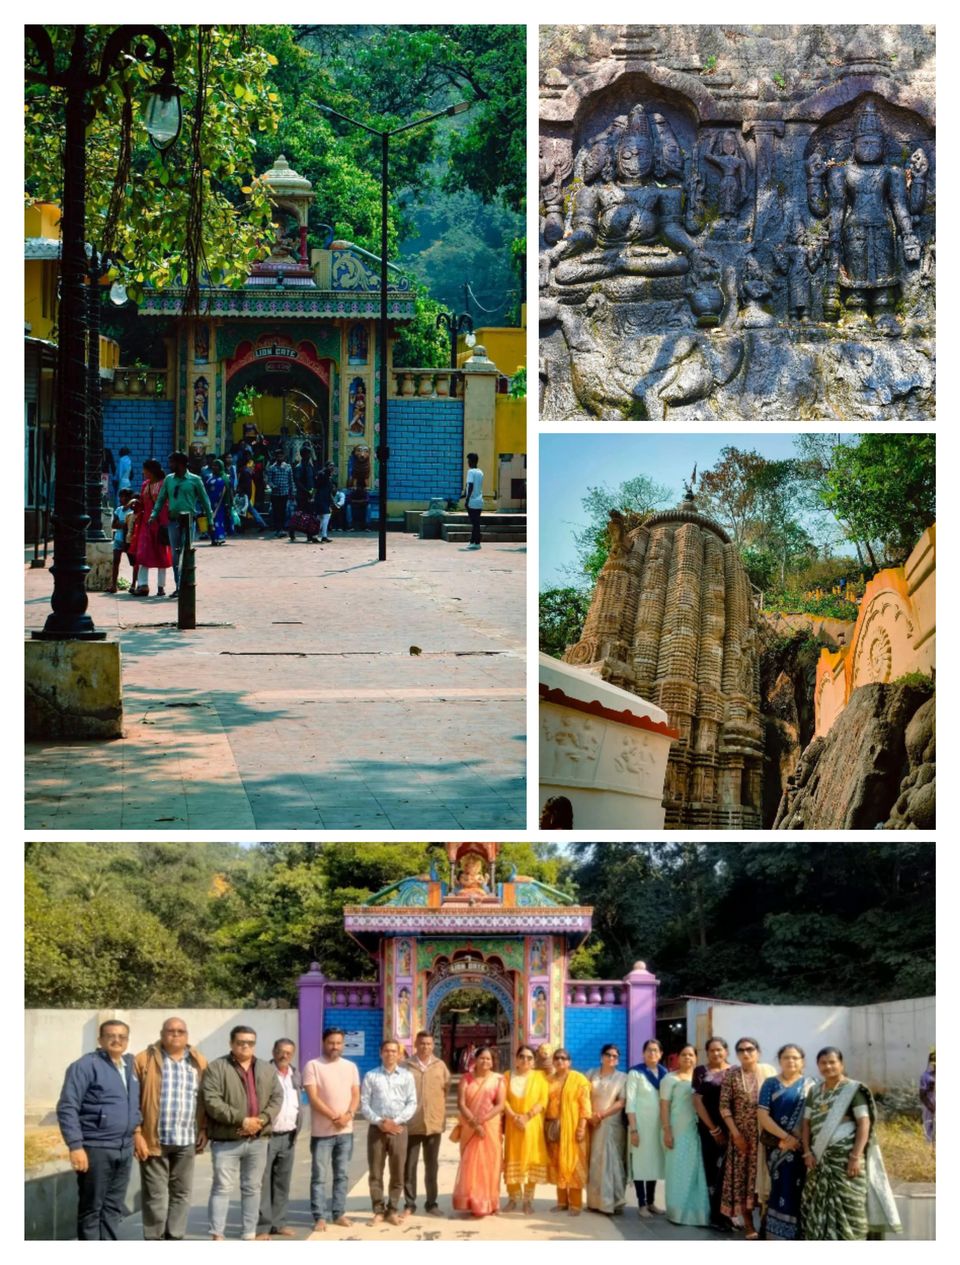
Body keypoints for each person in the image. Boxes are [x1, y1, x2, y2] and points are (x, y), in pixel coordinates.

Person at [800, 1047, 901, 1240]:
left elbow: (864, 1122)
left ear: (841, 1064)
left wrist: (855, 1156)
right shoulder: (814, 1091)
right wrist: (806, 1152)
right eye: (823, 1063)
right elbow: (806, 1124)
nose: (828, 1066)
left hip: (846, 1159)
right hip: (818, 1159)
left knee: (852, 1206)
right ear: (818, 1066)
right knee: (816, 1203)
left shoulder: (853, 1089)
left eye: (832, 1062)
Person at [56, 1019, 142, 1240]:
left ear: (127, 1040)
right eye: (111, 1036)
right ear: (100, 1039)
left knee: (113, 1207)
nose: (116, 1040)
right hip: (96, 1148)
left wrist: (136, 1133)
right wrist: (75, 1146)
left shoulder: (130, 1066)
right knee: (92, 1208)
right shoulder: (85, 1066)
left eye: (122, 1036)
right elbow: (67, 1106)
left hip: (123, 1148)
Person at [201, 1025, 283, 1242]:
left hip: (258, 1139)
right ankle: (217, 1233)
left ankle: (249, 1232)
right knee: (222, 1187)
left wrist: (261, 1120)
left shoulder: (266, 1069)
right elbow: (212, 1101)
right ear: (231, 1043)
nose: (245, 1046)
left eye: (250, 1042)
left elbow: (277, 1098)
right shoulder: (217, 1067)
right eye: (240, 1042)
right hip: (226, 1140)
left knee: (252, 1188)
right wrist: (242, 1120)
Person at [132, 1017, 208, 1241]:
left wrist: (203, 1129)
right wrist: (137, 1133)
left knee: (182, 1193)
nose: (175, 1034)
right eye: (171, 1031)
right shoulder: (144, 1059)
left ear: (187, 1035)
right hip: (154, 1139)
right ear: (162, 1033)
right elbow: (133, 1100)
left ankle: (175, 1237)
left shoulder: (198, 1061)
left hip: (186, 1139)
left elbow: (204, 1099)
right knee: (155, 1195)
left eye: (180, 1031)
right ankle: (154, 1239)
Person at [303, 1027, 360, 1232]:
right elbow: (313, 1097)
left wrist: (348, 1115)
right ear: (323, 1043)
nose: (335, 1046)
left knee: (342, 1175)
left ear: (343, 1044)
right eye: (331, 1043)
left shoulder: (351, 1066)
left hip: (346, 1132)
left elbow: (355, 1095)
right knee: (319, 1176)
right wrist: (334, 1117)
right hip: (322, 1133)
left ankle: (339, 1213)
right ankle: (319, 1216)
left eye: (338, 1043)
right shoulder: (313, 1066)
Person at [719, 1036, 776, 1238]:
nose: (746, 1053)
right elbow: (724, 1107)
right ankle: (749, 1225)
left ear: (758, 1052)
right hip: (742, 1139)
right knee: (743, 1182)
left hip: (766, 1137)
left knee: (765, 1180)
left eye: (750, 1049)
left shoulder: (769, 1073)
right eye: (741, 1050)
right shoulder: (732, 1075)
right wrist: (736, 1135)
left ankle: (766, 1224)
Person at [757, 1043, 815, 1241]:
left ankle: (799, 1234)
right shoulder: (770, 1083)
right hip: (777, 1147)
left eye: (795, 1058)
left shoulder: (811, 1084)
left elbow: (814, 1117)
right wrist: (785, 1138)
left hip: (802, 1149)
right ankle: (775, 1235)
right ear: (779, 1061)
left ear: (802, 1062)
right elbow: (763, 1115)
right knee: (779, 1188)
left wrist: (800, 1143)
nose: (791, 1061)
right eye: (786, 1057)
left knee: (800, 1190)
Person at [360, 1038, 417, 1225]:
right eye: (387, 1051)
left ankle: (392, 1209)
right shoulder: (371, 1076)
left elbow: (412, 1102)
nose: (390, 1054)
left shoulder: (407, 1076)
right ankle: (378, 1209)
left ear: (399, 1054)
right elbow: (364, 1104)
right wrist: (380, 1122)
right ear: (380, 1053)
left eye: (394, 1051)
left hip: (399, 1129)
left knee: (397, 1171)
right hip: (377, 1129)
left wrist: (396, 1121)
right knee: (376, 1171)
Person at [660, 1044, 711, 1227]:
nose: (687, 1058)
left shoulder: (700, 1078)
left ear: (696, 1058)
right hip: (676, 1129)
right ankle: (676, 1212)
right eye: (683, 1055)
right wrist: (667, 1131)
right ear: (677, 1058)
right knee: (677, 1171)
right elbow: (664, 1106)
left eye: (691, 1055)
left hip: (695, 1130)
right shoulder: (669, 1079)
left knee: (695, 1172)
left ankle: (696, 1214)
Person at [452, 1045, 505, 1217]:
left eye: (488, 1058)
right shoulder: (466, 1079)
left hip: (490, 1125)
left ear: (492, 1062)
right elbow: (461, 1103)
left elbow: (500, 1105)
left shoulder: (498, 1079)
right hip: (470, 1125)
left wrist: (482, 1120)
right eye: (482, 1058)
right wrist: (475, 1124)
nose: (485, 1061)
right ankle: (473, 1201)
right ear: (475, 1059)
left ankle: (491, 1201)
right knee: (470, 1163)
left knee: (490, 1163)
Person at [256, 1039, 302, 1240]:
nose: (285, 1056)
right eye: (281, 1052)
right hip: (268, 1136)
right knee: (263, 1183)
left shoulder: (294, 1074)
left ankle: (279, 1223)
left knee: (282, 1183)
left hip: (289, 1135)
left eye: (289, 1053)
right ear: (273, 1051)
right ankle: (263, 1227)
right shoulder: (264, 1072)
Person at [403, 1030, 451, 1218]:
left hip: (433, 1124)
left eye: (429, 1044)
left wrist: (436, 1108)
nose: (426, 1047)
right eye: (422, 1043)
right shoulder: (406, 1066)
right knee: (410, 1166)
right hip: (412, 1123)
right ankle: (410, 1203)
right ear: (415, 1044)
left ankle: (431, 1203)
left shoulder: (440, 1066)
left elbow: (445, 1089)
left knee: (432, 1166)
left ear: (433, 1045)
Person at [150, 452, 213, 591]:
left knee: (186, 553)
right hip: (173, 521)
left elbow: (205, 501)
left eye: (172, 462)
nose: (170, 465)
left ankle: (187, 584)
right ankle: (179, 586)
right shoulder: (169, 480)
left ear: (180, 464)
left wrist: (210, 521)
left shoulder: (195, 480)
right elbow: (161, 499)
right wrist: (153, 515)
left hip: (189, 521)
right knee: (175, 555)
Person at [503, 1044, 549, 1213]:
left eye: (529, 1057)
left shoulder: (540, 1077)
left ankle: (528, 1201)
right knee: (512, 1158)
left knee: (531, 1159)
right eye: (522, 1056)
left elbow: (543, 1101)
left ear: (534, 1061)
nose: (525, 1060)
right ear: (516, 1059)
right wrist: (514, 1116)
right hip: (513, 1124)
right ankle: (513, 1198)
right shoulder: (507, 1076)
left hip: (532, 1125)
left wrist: (527, 1116)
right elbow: (503, 1100)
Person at [545, 1048, 592, 1215]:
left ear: (569, 1062)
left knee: (574, 1165)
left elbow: (585, 1106)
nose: (559, 1061)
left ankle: (576, 1204)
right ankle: (561, 1202)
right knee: (558, 1164)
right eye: (556, 1058)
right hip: (553, 1129)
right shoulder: (548, 1080)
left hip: (573, 1128)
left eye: (563, 1058)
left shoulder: (579, 1079)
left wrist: (581, 1126)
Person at [692, 1035, 732, 1230]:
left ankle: (727, 1214)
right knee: (710, 1171)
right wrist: (714, 1130)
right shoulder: (700, 1071)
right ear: (706, 1053)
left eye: (719, 1050)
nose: (716, 1053)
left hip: (733, 1129)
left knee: (728, 1172)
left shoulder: (734, 1071)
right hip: (709, 1129)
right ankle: (712, 1215)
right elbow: (697, 1101)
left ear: (726, 1051)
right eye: (712, 1050)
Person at [626, 1037, 667, 1218]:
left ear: (661, 1054)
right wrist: (633, 1129)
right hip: (640, 1126)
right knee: (641, 1164)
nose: (652, 1053)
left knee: (654, 1164)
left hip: (658, 1127)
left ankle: (651, 1202)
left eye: (655, 1050)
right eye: (649, 1050)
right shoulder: (635, 1073)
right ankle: (641, 1203)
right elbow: (631, 1102)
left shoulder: (665, 1074)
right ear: (643, 1053)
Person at [586, 1044, 628, 1215]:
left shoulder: (622, 1077)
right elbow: (583, 1096)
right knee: (595, 1162)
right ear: (601, 1056)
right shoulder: (590, 1074)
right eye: (608, 1055)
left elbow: (621, 1101)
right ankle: (595, 1202)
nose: (612, 1058)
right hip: (593, 1123)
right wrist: (590, 1116)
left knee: (612, 1163)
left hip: (612, 1123)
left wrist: (602, 1114)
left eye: (615, 1056)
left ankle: (613, 1202)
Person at [132, 459, 172, 596]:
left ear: (151, 471)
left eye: (145, 470)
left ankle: (161, 587)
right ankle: (143, 585)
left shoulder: (164, 484)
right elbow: (142, 504)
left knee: (162, 554)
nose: (143, 472)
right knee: (143, 554)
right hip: (146, 524)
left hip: (160, 524)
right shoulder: (145, 485)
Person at [108, 488, 137, 592]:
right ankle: (113, 585)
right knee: (116, 561)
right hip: (118, 539)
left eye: (126, 497)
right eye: (121, 496)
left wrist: (122, 525)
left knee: (134, 562)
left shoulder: (132, 511)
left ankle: (133, 584)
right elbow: (113, 524)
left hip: (129, 540)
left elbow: (126, 525)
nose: (123, 498)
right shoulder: (119, 510)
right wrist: (124, 525)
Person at [266, 450, 295, 536]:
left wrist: (292, 492)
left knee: (283, 511)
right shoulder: (272, 468)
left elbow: (291, 481)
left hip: (285, 493)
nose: (280, 458)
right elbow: (269, 481)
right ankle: (278, 529)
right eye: (278, 456)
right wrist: (273, 486)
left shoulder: (288, 467)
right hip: (275, 494)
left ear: (283, 457)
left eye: (281, 456)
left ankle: (282, 528)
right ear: (275, 457)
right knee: (276, 511)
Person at [463, 451, 484, 549]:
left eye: (468, 460)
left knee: (475, 523)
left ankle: (475, 543)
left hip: (472, 501)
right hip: (479, 500)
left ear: (471, 461)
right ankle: (474, 541)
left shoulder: (470, 472)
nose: (467, 462)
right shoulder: (480, 472)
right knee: (476, 522)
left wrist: (467, 500)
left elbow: (470, 485)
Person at [205, 459, 229, 545]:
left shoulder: (224, 478)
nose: (214, 467)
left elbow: (228, 491)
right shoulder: (210, 477)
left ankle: (220, 537)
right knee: (210, 521)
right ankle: (213, 539)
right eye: (213, 465)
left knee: (218, 520)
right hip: (209, 502)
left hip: (220, 504)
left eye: (217, 466)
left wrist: (227, 503)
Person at [314, 461, 336, 542]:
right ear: (326, 466)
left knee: (320, 517)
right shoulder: (322, 474)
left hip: (325, 498)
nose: (332, 467)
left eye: (333, 466)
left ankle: (315, 535)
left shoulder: (327, 475)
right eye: (330, 465)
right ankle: (323, 536)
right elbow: (317, 486)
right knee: (326, 515)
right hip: (321, 498)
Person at [919, 1047, 935, 1147]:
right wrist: (932, 1108)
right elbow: (922, 1095)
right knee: (929, 1132)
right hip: (930, 1108)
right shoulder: (926, 1076)